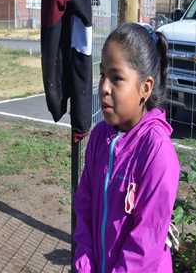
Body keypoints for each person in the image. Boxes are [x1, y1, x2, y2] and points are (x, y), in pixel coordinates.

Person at [73, 23, 180, 272]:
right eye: (102, 75)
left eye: (116, 78)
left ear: (145, 87)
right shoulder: (99, 137)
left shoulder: (157, 152)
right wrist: (84, 263)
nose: (104, 87)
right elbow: (85, 205)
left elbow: (146, 243)